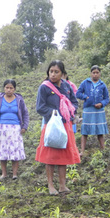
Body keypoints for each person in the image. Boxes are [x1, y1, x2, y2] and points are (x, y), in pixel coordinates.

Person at [35, 60, 81, 195]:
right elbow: (40, 107)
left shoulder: (67, 86)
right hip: (52, 125)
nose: (53, 74)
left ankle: (62, 185)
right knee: (50, 155)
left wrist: (70, 110)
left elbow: (74, 101)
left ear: (62, 73)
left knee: (63, 155)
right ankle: (50, 185)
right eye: (51, 72)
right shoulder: (44, 87)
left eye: (56, 72)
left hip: (65, 125)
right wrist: (55, 113)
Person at [0, 79, 30, 180]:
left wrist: (24, 126)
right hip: (1, 129)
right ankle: (4, 174)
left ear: (14, 89)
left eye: (11, 88)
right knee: (2, 151)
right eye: (7, 88)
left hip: (15, 129)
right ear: (4, 88)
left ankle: (15, 174)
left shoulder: (19, 100)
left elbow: (25, 113)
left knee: (14, 151)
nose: (9, 90)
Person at [76, 65, 110, 155]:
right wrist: (85, 97)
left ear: (100, 74)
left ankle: (103, 149)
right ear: (90, 74)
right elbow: (78, 93)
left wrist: (101, 104)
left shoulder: (102, 85)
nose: (95, 74)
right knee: (85, 130)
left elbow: (107, 98)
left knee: (100, 131)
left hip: (99, 110)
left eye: (97, 73)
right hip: (88, 109)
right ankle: (82, 151)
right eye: (93, 73)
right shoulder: (85, 83)